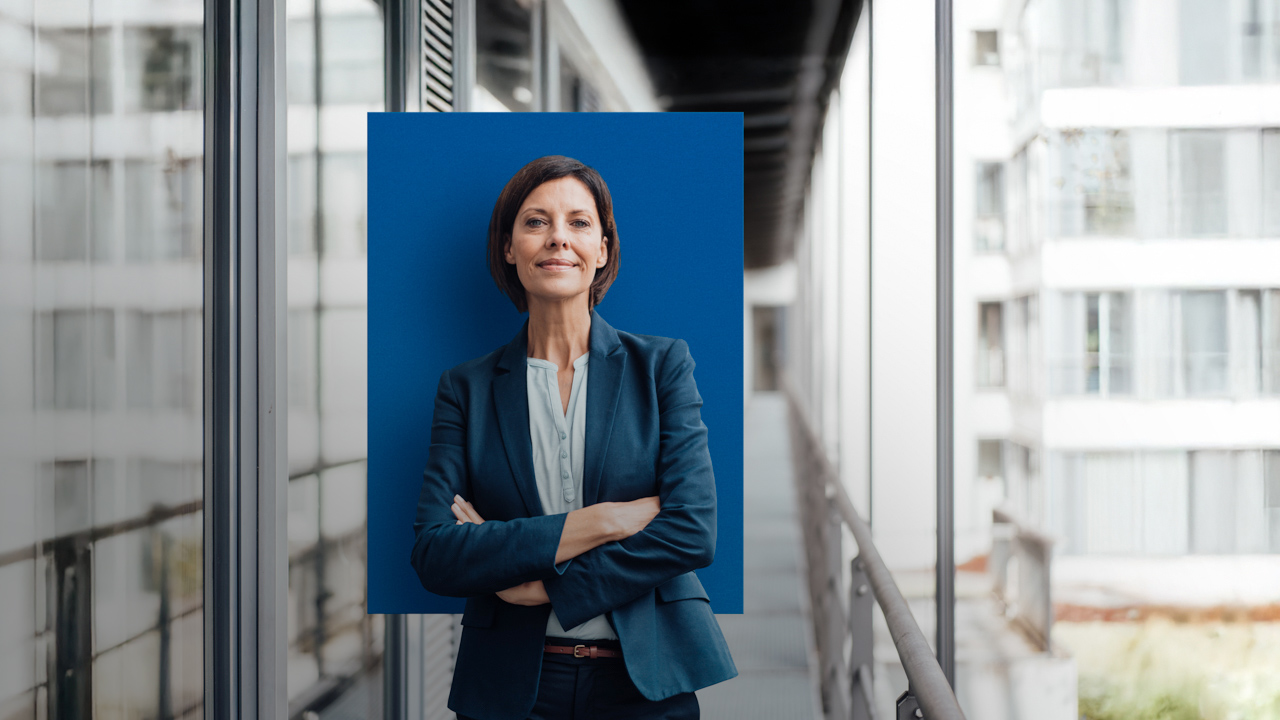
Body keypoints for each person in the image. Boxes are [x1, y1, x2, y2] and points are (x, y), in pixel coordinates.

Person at [409, 155, 737, 720]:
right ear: (509, 248)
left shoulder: (661, 366)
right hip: (512, 687)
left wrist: (547, 588)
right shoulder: (466, 388)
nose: (558, 238)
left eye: (579, 223)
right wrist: (603, 521)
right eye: (536, 222)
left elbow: (691, 531)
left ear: (603, 249)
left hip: (645, 683)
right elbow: (437, 553)